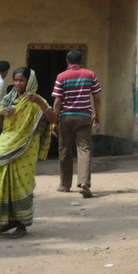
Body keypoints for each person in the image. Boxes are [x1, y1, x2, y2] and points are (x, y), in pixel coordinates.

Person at [0, 68, 57, 239]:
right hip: (5, 144)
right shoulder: (8, 99)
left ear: (29, 82)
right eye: (15, 80)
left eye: (21, 80)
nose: (17, 83)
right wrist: (0, 114)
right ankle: (7, 221)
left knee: (20, 184)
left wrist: (41, 103)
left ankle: (21, 224)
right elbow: (1, 124)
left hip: (26, 148)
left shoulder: (36, 100)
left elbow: (53, 118)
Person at [51, 49, 102, 198]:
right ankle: (84, 183)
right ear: (81, 61)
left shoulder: (61, 76)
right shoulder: (90, 75)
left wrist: (54, 122)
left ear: (67, 61)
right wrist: (97, 115)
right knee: (85, 149)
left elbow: (57, 101)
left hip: (66, 117)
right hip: (84, 116)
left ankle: (65, 185)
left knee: (65, 150)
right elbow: (97, 98)